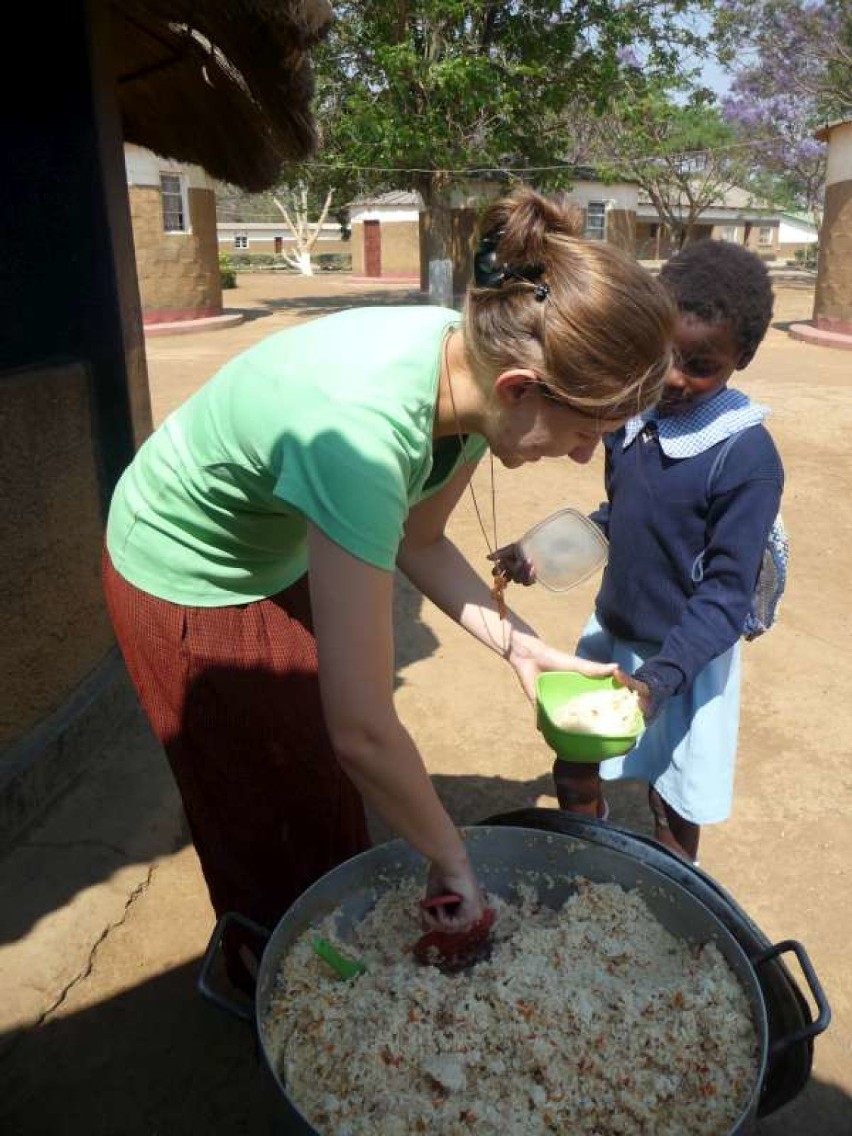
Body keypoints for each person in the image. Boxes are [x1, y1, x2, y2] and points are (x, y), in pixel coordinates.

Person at [101, 185, 676, 991]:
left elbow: (421, 537)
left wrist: (525, 651)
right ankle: (262, 980)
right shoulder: (364, 440)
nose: (586, 460)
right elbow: (365, 728)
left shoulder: (476, 373)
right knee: (254, 801)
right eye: (586, 435)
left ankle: (323, 945)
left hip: (272, 550)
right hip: (186, 572)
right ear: (521, 388)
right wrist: (453, 860)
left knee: (315, 778)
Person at [495, 239, 782, 864]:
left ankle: (669, 897)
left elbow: (727, 593)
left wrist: (658, 682)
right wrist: (539, 552)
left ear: (744, 357)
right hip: (613, 631)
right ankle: (587, 854)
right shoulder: (633, 419)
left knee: (672, 803)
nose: (675, 378)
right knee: (573, 764)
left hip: (686, 658)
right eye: (665, 355)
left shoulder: (745, 456)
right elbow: (620, 517)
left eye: (701, 363)